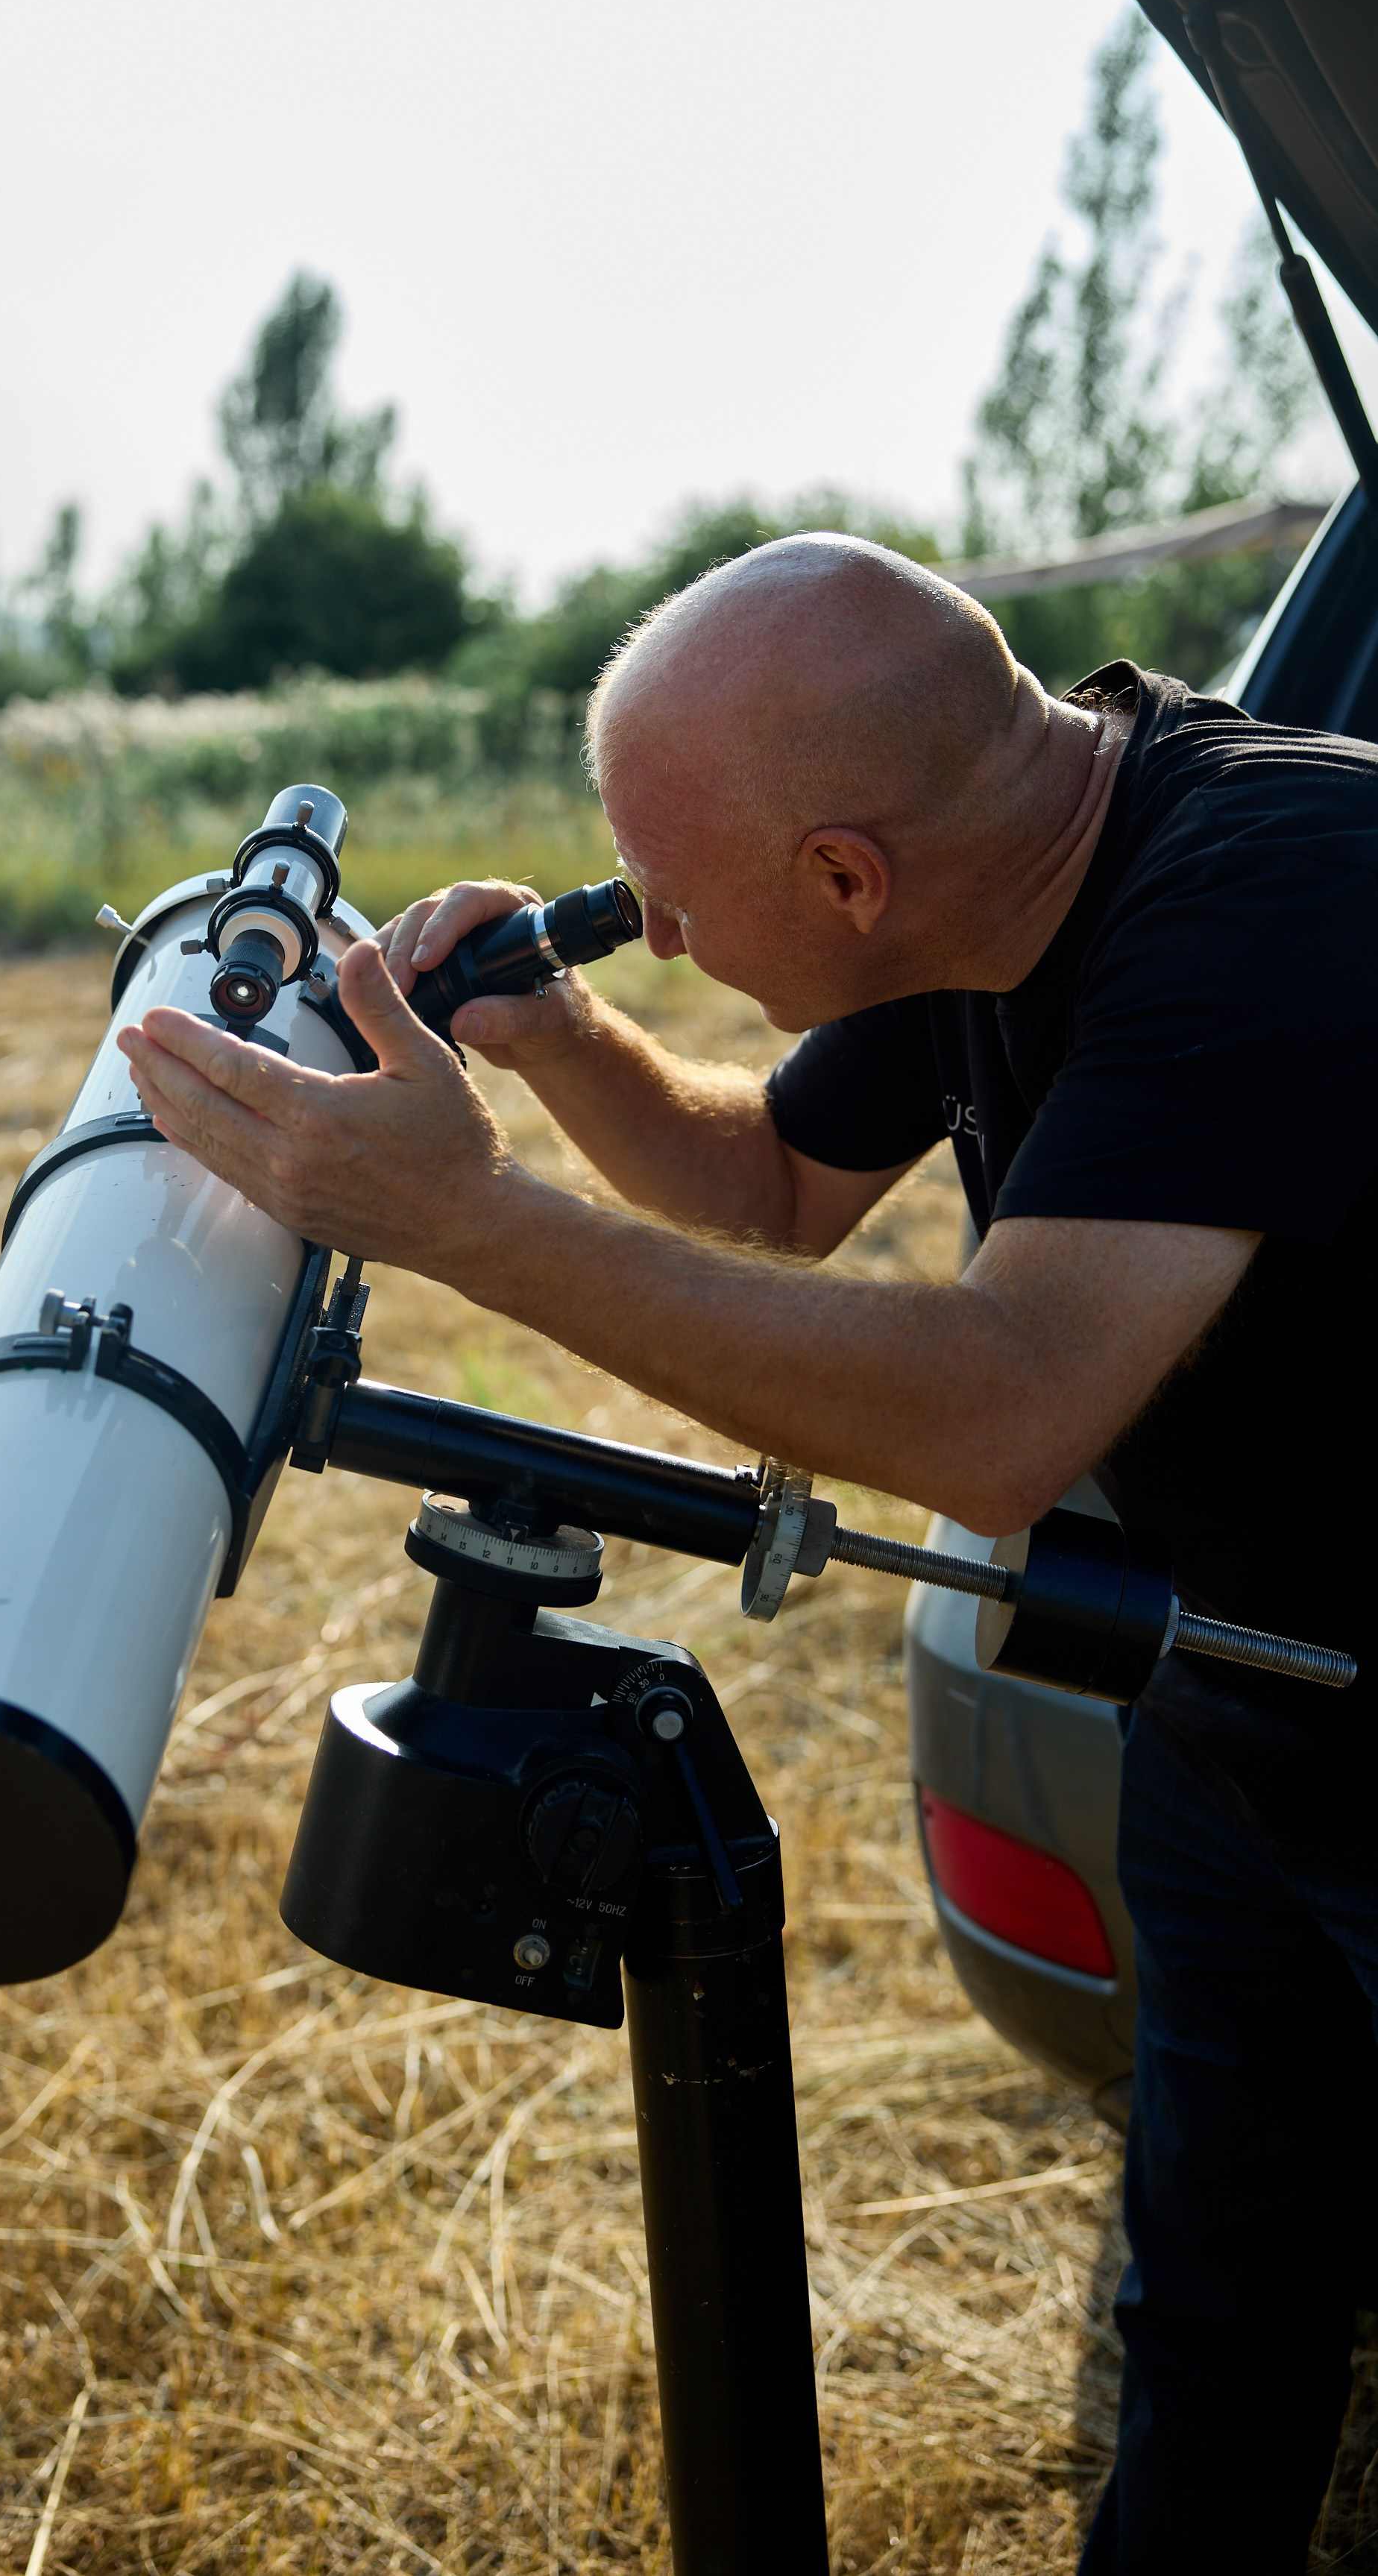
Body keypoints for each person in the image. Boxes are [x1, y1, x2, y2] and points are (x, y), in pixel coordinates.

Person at [119, 535, 1378, 2574]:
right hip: (1243, 1707)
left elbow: (999, 1406)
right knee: (1217, 2308)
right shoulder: (999, 861)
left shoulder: (1282, 891)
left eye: (678, 903)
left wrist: (478, 1225)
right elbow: (781, 1182)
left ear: (848, 874)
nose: (662, 937)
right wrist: (553, 1037)